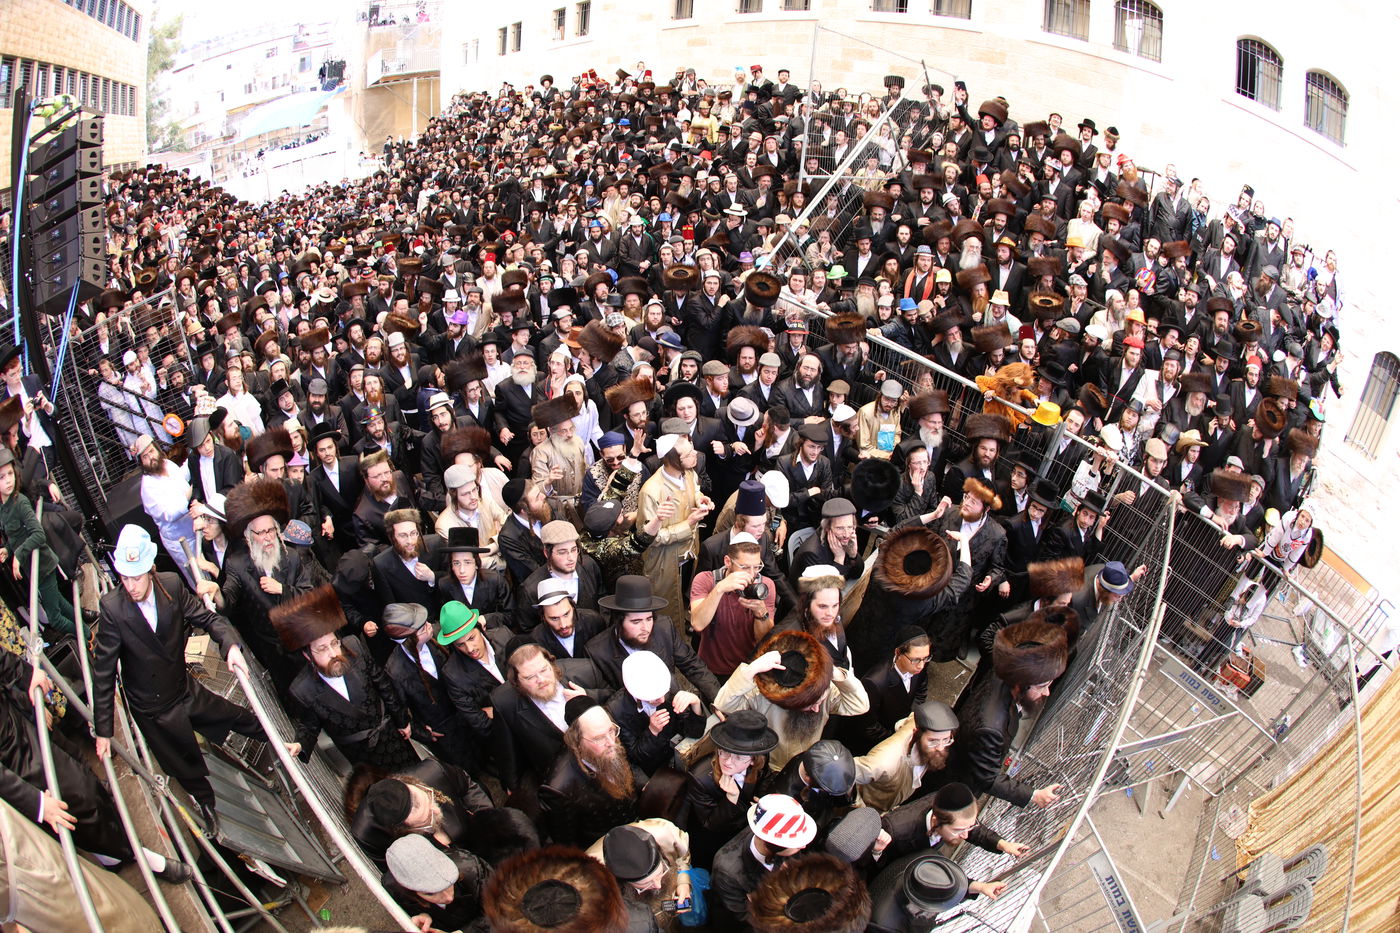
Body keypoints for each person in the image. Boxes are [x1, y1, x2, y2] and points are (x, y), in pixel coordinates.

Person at [93, 525, 263, 837]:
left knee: (235, 716)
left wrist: (231, 646)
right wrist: (103, 731)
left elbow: (208, 618)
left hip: (183, 689)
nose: (130, 585)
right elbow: (103, 673)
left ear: (151, 570)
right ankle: (206, 804)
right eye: (125, 577)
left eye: (137, 576)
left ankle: (281, 744)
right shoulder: (112, 610)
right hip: (154, 709)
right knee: (185, 763)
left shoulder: (170, 586)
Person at [273, 584, 417, 769]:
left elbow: (383, 685)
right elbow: (310, 724)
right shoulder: (303, 689)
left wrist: (402, 720)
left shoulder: (353, 647)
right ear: (308, 656)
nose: (334, 653)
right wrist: (301, 744)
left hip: (391, 736)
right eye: (322, 649)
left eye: (334, 643)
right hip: (361, 755)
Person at [714, 629, 870, 770]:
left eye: (818, 702)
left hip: (806, 767)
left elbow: (860, 705)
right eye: (809, 706)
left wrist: (831, 672)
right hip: (769, 767)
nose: (817, 710)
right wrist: (751, 670)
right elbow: (724, 704)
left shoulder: (825, 691)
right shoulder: (760, 696)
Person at [540, 698, 647, 848]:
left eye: (611, 731)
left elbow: (628, 765)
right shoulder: (558, 789)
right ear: (576, 741)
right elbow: (567, 843)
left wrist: (645, 785)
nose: (611, 742)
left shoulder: (608, 736)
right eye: (598, 738)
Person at [710, 793, 818, 927]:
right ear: (773, 847)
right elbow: (742, 915)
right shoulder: (727, 871)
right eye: (796, 844)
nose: (803, 846)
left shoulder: (779, 841)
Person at [0, 449, 74, 632]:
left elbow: (38, 534)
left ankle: (86, 640)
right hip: (33, 566)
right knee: (62, 606)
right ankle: (87, 635)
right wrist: (8, 550)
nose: (8, 480)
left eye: (10, 474)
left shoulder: (20, 502)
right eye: (2, 477)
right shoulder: (4, 507)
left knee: (55, 619)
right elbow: (16, 535)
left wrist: (18, 554)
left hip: (42, 564)